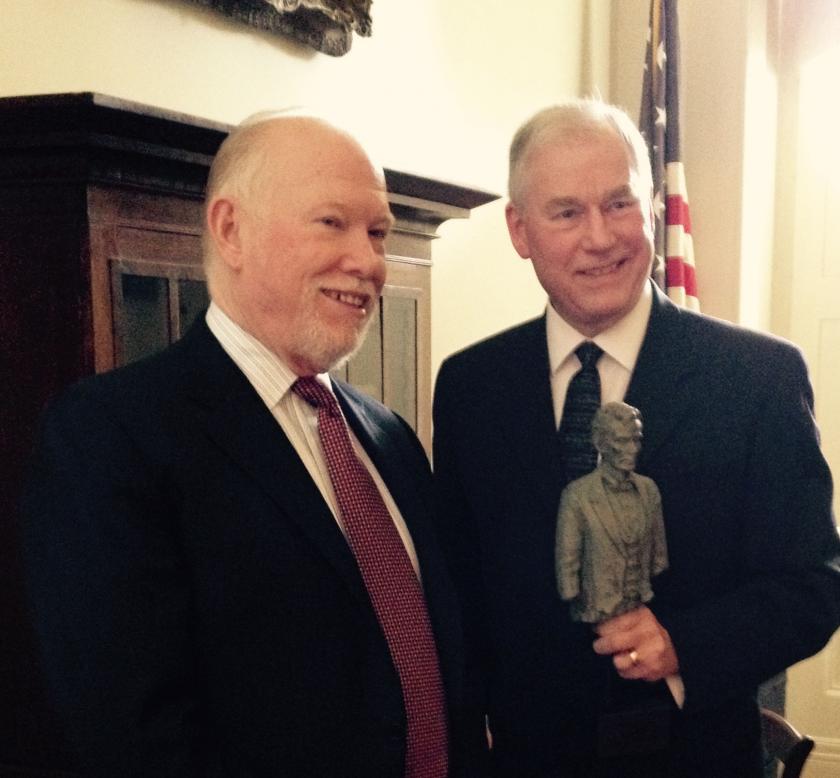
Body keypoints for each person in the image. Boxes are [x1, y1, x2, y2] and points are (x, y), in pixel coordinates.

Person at [22, 113, 468, 777]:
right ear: (231, 230)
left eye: (377, 232)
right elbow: (135, 735)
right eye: (332, 223)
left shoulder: (389, 437)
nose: (369, 261)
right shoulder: (112, 436)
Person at [432, 99, 840, 777]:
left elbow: (816, 586)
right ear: (519, 228)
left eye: (619, 204)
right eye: (566, 212)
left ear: (651, 208)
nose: (601, 237)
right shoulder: (471, 386)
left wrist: (688, 644)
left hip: (693, 758)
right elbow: (459, 593)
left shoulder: (757, 378)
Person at [556, 401, 667, 625]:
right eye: (622, 441)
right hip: (596, 607)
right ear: (600, 443)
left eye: (636, 439)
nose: (633, 449)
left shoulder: (648, 490)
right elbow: (568, 558)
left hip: (640, 602)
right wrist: (570, 592)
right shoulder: (577, 495)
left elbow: (659, 557)